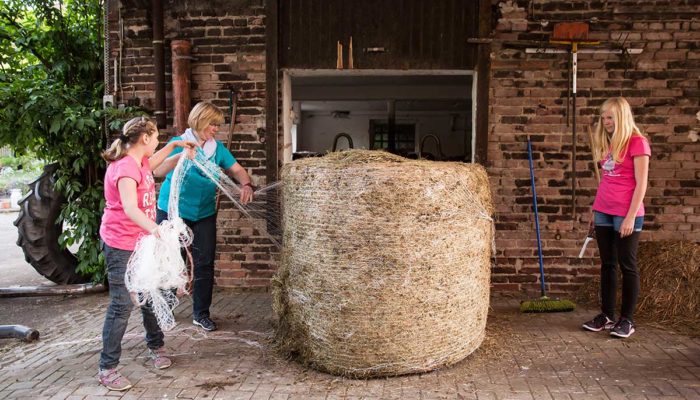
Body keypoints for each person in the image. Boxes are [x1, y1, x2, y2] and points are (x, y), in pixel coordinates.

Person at [98, 117, 196, 391]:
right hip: (121, 245)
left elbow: (155, 164)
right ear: (144, 138)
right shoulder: (125, 168)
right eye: (155, 138)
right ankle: (107, 367)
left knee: (152, 294)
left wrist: (175, 146)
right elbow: (130, 208)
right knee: (122, 305)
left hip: (141, 243)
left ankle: (156, 347)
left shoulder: (139, 162)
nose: (156, 143)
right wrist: (157, 231)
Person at [154, 101, 254, 332]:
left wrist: (246, 184)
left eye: (217, 125)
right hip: (172, 212)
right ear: (199, 121)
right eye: (212, 124)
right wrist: (180, 157)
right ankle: (165, 308)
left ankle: (201, 313)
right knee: (170, 261)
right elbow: (158, 171)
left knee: (205, 263)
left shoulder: (217, 149)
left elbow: (237, 169)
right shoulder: (180, 143)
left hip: (204, 213)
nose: (216, 129)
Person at [582, 97, 650, 339]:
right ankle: (607, 316)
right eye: (603, 117)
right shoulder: (609, 144)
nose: (605, 121)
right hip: (603, 211)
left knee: (627, 265)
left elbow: (641, 185)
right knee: (607, 264)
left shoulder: (637, 143)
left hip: (626, 213)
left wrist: (631, 216)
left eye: (610, 117)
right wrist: (594, 209)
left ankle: (627, 320)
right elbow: (606, 182)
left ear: (621, 117)